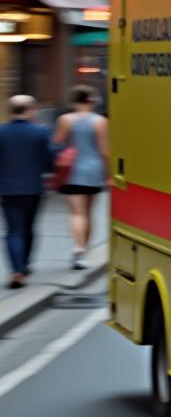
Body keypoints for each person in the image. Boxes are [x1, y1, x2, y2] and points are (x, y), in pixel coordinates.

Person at [0, 95, 54, 288]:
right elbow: (50, 160)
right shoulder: (40, 132)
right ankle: (24, 265)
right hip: (33, 188)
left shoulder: (1, 132)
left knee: (13, 230)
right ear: (30, 110)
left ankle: (16, 270)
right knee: (29, 228)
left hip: (7, 189)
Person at [53, 86, 108, 270]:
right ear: (91, 100)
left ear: (74, 100)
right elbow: (104, 150)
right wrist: (108, 174)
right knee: (88, 212)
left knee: (77, 213)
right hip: (93, 169)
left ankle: (78, 248)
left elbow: (57, 142)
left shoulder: (65, 119)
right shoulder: (100, 121)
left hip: (71, 169)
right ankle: (85, 250)